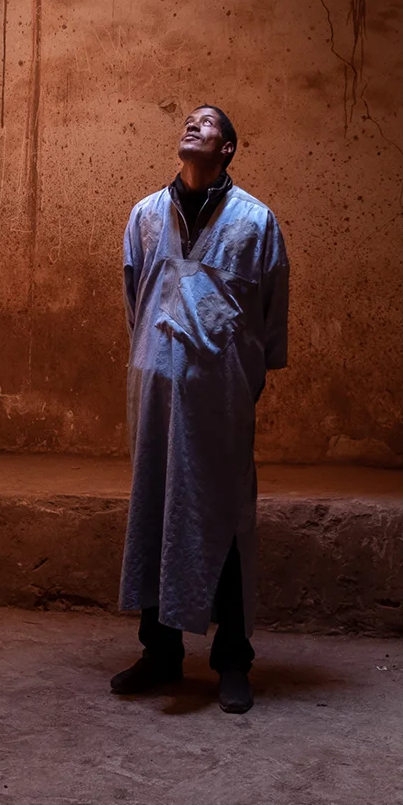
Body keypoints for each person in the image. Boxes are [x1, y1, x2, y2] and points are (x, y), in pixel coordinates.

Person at [111, 104, 289, 714]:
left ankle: (233, 658)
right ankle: (159, 653)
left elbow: (269, 317)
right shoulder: (144, 216)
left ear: (229, 148)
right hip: (157, 397)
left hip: (220, 398)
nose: (192, 124)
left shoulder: (256, 222)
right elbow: (137, 302)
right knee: (158, 511)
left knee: (224, 516)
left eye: (207, 122)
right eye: (187, 119)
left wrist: (240, 379)